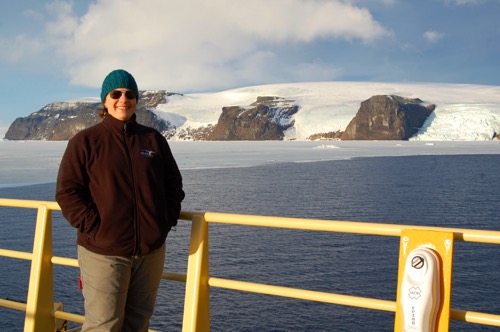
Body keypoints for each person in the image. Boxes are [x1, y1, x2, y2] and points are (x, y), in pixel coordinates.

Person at [56, 69, 185, 331]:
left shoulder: (153, 140)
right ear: (105, 100)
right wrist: (96, 227)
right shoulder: (86, 142)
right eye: (116, 94)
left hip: (149, 252)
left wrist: (164, 221)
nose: (123, 99)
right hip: (104, 252)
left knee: (138, 324)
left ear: (136, 100)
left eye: (130, 94)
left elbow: (173, 185)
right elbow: (67, 192)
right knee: (104, 325)